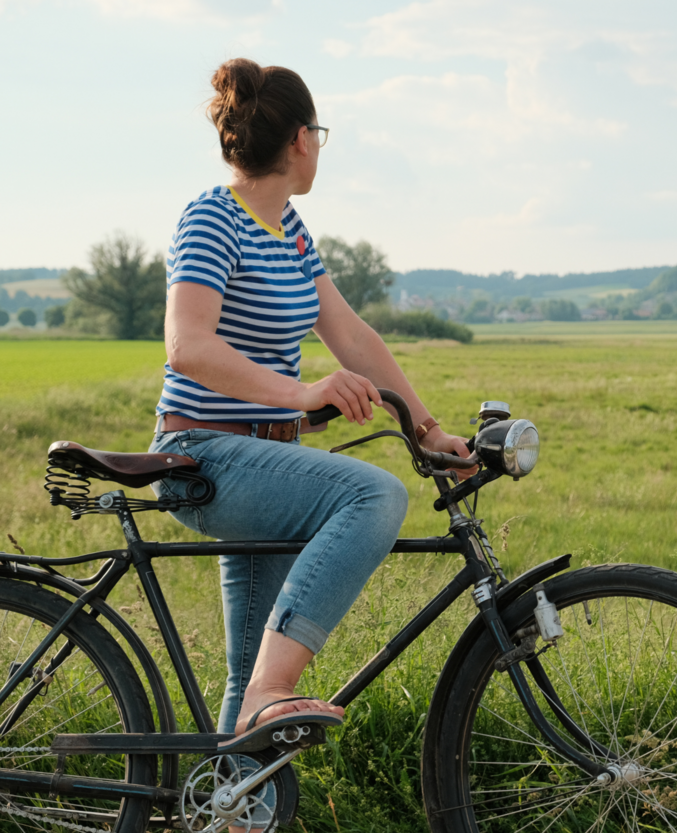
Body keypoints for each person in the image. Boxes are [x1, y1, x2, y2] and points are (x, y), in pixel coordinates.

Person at [148, 57, 472, 739]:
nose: (319, 147)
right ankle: (274, 689)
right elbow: (187, 345)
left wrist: (427, 430)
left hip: (268, 461)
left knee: (246, 679)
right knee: (373, 495)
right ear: (301, 139)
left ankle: (233, 790)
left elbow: (349, 334)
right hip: (203, 456)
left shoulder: (289, 229)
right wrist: (301, 392)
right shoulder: (212, 218)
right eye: (318, 135)